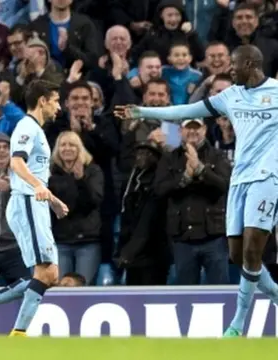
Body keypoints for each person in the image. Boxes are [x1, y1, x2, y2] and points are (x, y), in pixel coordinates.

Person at [114, 44, 278, 337]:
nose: (230, 70)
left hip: (268, 179)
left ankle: (238, 325)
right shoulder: (231, 96)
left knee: (254, 249)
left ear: (252, 64)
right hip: (240, 180)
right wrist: (141, 110)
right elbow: (186, 110)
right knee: (238, 255)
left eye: (235, 65)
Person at [0, 80, 68, 337]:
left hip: (34, 203)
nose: (59, 107)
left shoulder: (35, 129)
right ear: (43, 101)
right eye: (56, 100)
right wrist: (39, 188)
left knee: (49, 274)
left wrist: (53, 201)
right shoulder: (27, 127)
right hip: (27, 203)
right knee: (45, 273)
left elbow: (35, 174)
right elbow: (16, 163)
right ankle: (18, 334)